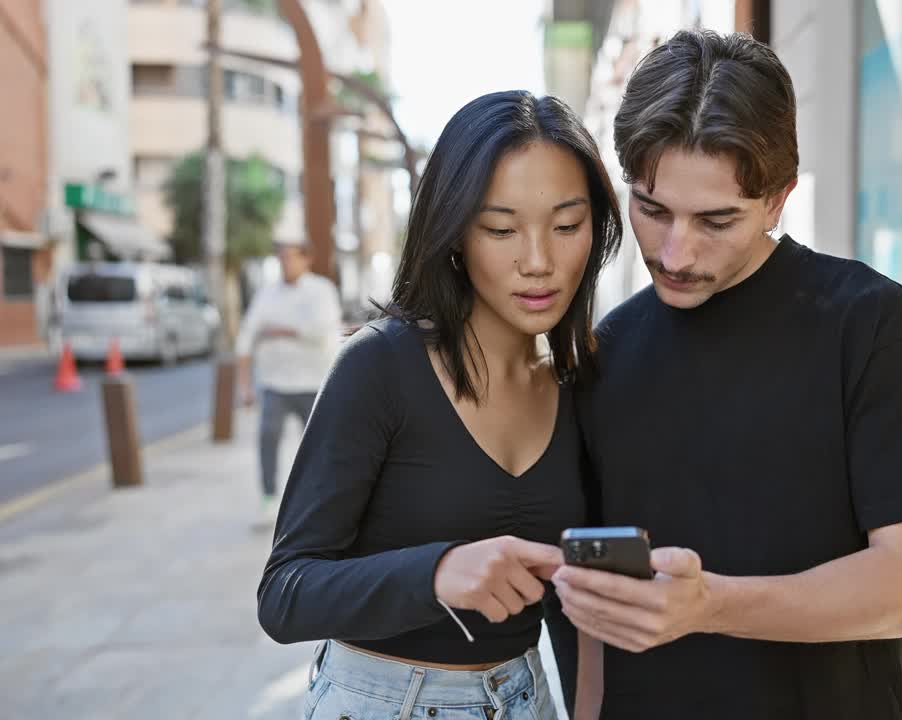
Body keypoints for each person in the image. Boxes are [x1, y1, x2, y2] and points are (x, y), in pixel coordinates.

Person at [550, 30, 902, 719]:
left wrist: (709, 605)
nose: (675, 251)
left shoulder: (871, 327)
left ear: (778, 199)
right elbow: (596, 617)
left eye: (716, 220)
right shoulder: (607, 352)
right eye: (652, 210)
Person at [256, 90, 622, 720]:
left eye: (566, 226)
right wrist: (437, 573)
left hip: (526, 697)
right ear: (455, 234)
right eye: (501, 229)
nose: (538, 262)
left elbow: (573, 587)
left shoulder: (576, 381)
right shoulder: (380, 366)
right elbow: (285, 595)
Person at [235, 240, 342, 525]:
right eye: (281, 258)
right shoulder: (266, 295)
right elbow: (248, 335)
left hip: (315, 383)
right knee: (267, 437)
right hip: (275, 383)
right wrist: (244, 386)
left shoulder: (322, 290)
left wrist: (280, 330)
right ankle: (269, 498)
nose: (286, 264)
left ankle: (324, 502)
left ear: (306, 259)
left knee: (320, 445)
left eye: (292, 258)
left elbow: (320, 330)